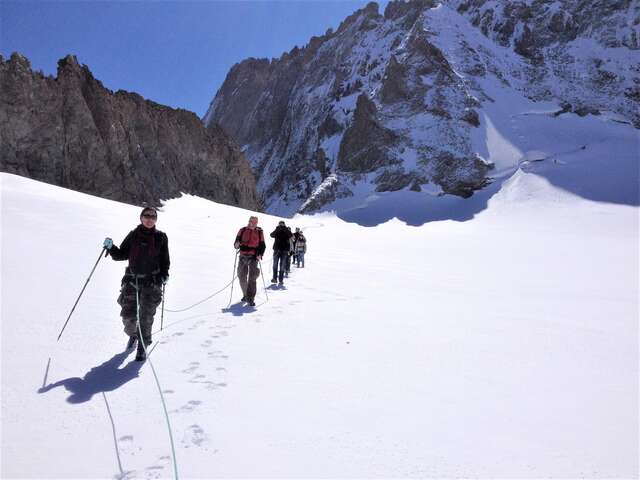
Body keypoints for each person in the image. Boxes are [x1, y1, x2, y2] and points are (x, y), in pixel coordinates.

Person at [103, 206, 170, 361]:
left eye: (153, 217)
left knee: (146, 317)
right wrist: (111, 247)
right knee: (128, 317)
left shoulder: (161, 237)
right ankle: (133, 335)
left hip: (151, 283)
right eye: (146, 216)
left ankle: (142, 344)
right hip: (132, 282)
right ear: (141, 218)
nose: (149, 219)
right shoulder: (134, 235)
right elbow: (121, 255)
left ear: (156, 220)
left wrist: (164, 275)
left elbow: (165, 260)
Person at [234, 216, 266, 306]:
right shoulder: (242, 230)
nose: (251, 223)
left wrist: (260, 254)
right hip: (242, 256)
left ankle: (250, 298)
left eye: (253, 222)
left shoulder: (259, 232)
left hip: (253, 257)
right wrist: (236, 245)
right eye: (250, 221)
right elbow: (236, 241)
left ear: (256, 223)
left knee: (252, 278)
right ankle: (245, 294)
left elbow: (263, 245)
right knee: (241, 276)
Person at [270, 220, 292, 285]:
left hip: (284, 251)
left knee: (282, 266)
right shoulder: (277, 230)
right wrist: (277, 229)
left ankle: (281, 279)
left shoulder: (287, 231)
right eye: (280, 224)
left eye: (282, 224)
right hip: (277, 250)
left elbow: (291, 235)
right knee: (275, 265)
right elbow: (271, 235)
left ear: (284, 224)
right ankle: (274, 278)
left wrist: (285, 229)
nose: (281, 225)